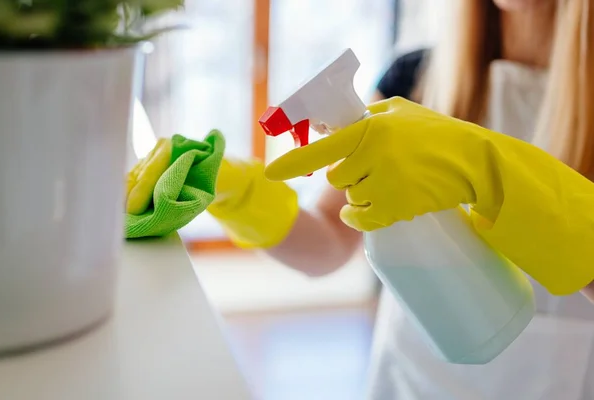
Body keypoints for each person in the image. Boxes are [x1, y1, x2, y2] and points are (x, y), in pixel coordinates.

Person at [208, 0, 594, 398]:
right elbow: (329, 242)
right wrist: (234, 192)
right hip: (411, 381)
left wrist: (494, 174)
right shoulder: (416, 77)